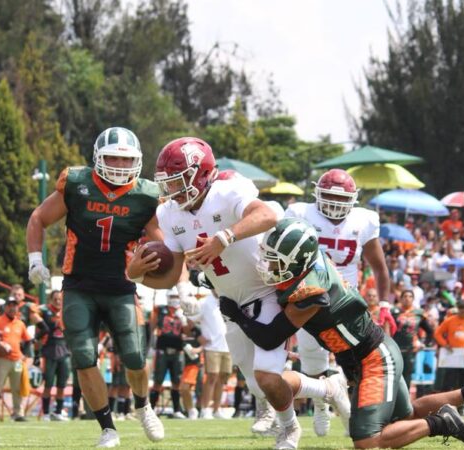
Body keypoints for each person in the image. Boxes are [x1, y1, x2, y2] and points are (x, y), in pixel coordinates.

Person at [219, 218, 464, 449]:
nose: (269, 265)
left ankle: (441, 423)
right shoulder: (309, 265)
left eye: (277, 260)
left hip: (373, 360)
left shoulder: (310, 291)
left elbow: (270, 337)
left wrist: (236, 314)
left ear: (298, 261)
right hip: (367, 354)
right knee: (405, 419)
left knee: (367, 440)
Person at [129, 137, 346, 449]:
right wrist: (135, 275)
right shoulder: (169, 214)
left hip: (267, 290)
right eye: (168, 183)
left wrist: (224, 237)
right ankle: (327, 389)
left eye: (177, 182)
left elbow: (269, 214)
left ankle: (290, 430)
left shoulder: (227, 188)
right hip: (231, 303)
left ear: (200, 175)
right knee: (259, 386)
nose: (172, 191)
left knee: (269, 376)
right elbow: (172, 274)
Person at [26, 126, 164, 447]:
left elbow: (164, 248)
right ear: (97, 158)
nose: (118, 164)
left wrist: (180, 282)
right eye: (112, 157)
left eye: (125, 159)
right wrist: (35, 259)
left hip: (122, 285)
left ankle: (143, 407)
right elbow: (38, 218)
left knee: (134, 355)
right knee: (84, 357)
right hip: (79, 285)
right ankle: (107, 428)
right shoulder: (77, 183)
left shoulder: (146, 196)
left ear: (138, 161)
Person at [284, 169, 391, 436]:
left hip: (345, 298)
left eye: (340, 198)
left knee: (357, 359)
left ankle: (357, 416)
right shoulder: (300, 213)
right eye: (328, 196)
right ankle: (322, 405)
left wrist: (386, 304)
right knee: (312, 359)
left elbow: (379, 267)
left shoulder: (364, 220)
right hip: (310, 294)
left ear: (353, 199)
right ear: (317, 194)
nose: (333, 204)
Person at [0, 298, 32, 422]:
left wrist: (25, 354)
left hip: (17, 360)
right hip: (2, 359)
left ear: (18, 308)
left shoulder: (20, 323)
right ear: (5, 307)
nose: (12, 308)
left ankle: (17, 413)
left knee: (17, 388)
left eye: (14, 306)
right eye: (9, 305)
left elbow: (28, 340)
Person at [149, 290, 187, 419]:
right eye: (172, 296)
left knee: (176, 381)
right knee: (157, 381)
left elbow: (188, 331)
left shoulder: (183, 310)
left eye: (177, 296)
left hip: (177, 351)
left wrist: (184, 319)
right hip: (162, 351)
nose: (175, 298)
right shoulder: (160, 310)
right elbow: (152, 327)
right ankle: (151, 410)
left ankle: (177, 410)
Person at [198, 290, 232, 419]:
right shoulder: (204, 302)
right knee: (212, 376)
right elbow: (190, 319)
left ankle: (217, 409)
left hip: (228, 346)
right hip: (212, 346)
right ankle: (205, 409)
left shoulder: (228, 299)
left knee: (223, 378)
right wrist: (197, 335)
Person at [37, 290, 70, 421]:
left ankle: (58, 412)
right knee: (48, 384)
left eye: (59, 299)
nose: (57, 301)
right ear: (51, 300)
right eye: (55, 299)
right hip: (50, 350)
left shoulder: (66, 312)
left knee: (62, 384)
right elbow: (43, 327)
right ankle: (45, 413)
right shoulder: (45, 312)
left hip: (64, 350)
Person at [434, 301, 464, 397]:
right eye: (461, 308)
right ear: (458, 309)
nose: (463, 310)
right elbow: (437, 333)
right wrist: (445, 344)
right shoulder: (450, 320)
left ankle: (461, 406)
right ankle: (446, 403)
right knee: (449, 381)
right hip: (452, 356)